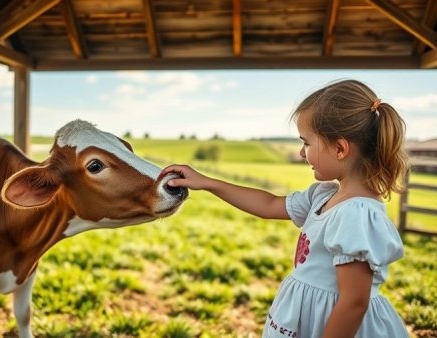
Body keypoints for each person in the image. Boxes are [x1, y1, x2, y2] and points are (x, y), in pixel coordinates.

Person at [161, 79, 410, 338]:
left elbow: (354, 304)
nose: (302, 154)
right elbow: (268, 204)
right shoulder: (323, 196)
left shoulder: (356, 215)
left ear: (339, 148)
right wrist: (207, 182)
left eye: (307, 143)